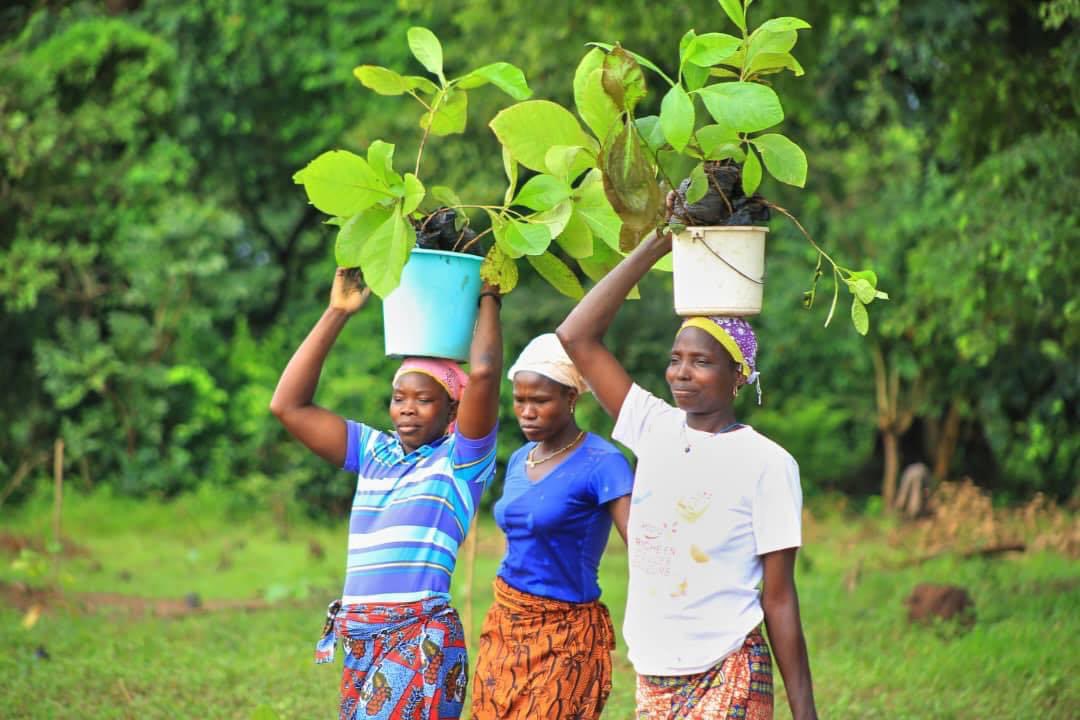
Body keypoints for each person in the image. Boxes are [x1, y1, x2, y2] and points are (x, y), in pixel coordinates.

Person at [556, 231, 818, 720]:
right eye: (676, 359)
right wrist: (659, 243)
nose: (681, 373)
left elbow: (779, 597)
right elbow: (576, 336)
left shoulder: (768, 463)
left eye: (701, 362)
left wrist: (805, 712)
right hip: (654, 672)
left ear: (738, 375)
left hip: (730, 666)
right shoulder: (653, 427)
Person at [269, 268, 502, 720]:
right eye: (399, 398)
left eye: (424, 399)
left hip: (419, 637)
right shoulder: (374, 451)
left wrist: (489, 296)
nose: (407, 409)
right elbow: (288, 405)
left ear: (454, 407)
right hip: (360, 637)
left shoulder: (460, 462)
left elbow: (487, 372)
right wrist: (337, 311)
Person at [470, 333, 634, 720]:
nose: (526, 411)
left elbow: (642, 546)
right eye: (520, 400)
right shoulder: (520, 459)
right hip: (507, 622)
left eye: (540, 401)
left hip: (565, 633)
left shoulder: (603, 462)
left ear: (571, 398)